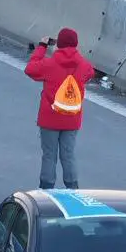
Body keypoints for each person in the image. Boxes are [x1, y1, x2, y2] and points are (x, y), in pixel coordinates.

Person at [25, 28, 93, 189]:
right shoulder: (83, 64)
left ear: (58, 44)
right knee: (68, 155)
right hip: (72, 118)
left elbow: (30, 69)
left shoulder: (50, 64)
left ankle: (46, 188)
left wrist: (42, 46)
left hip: (50, 118)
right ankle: (73, 188)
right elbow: (89, 73)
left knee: (49, 155)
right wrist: (75, 54)